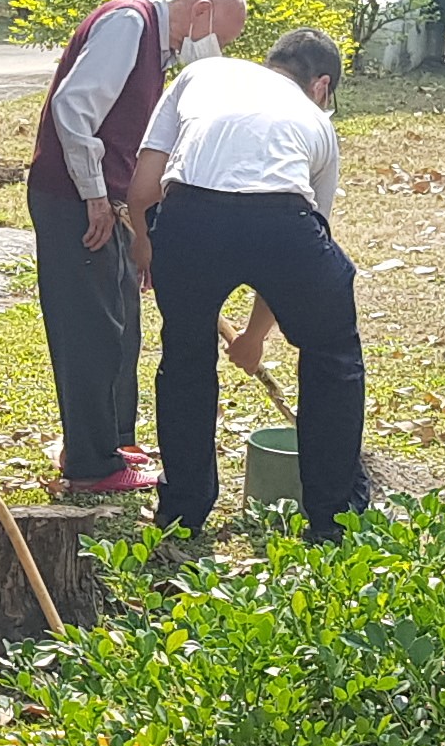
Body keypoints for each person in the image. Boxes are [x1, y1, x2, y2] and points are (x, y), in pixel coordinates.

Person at [131, 28, 362, 537]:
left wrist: (148, 247)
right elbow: (304, 238)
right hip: (282, 220)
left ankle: (182, 513)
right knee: (331, 354)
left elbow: (144, 188)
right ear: (322, 87)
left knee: (185, 359)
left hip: (188, 214)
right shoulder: (318, 123)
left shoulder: (203, 73)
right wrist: (256, 336)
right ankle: (333, 517)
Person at [30, 0, 250, 497]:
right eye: (220, 35)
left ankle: (115, 443)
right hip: (73, 199)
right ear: (200, 11)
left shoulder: (160, 51)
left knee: (123, 322)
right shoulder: (129, 24)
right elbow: (73, 108)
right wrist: (95, 196)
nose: (215, 50)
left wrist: (141, 230)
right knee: (91, 330)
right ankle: (89, 462)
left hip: (111, 203)